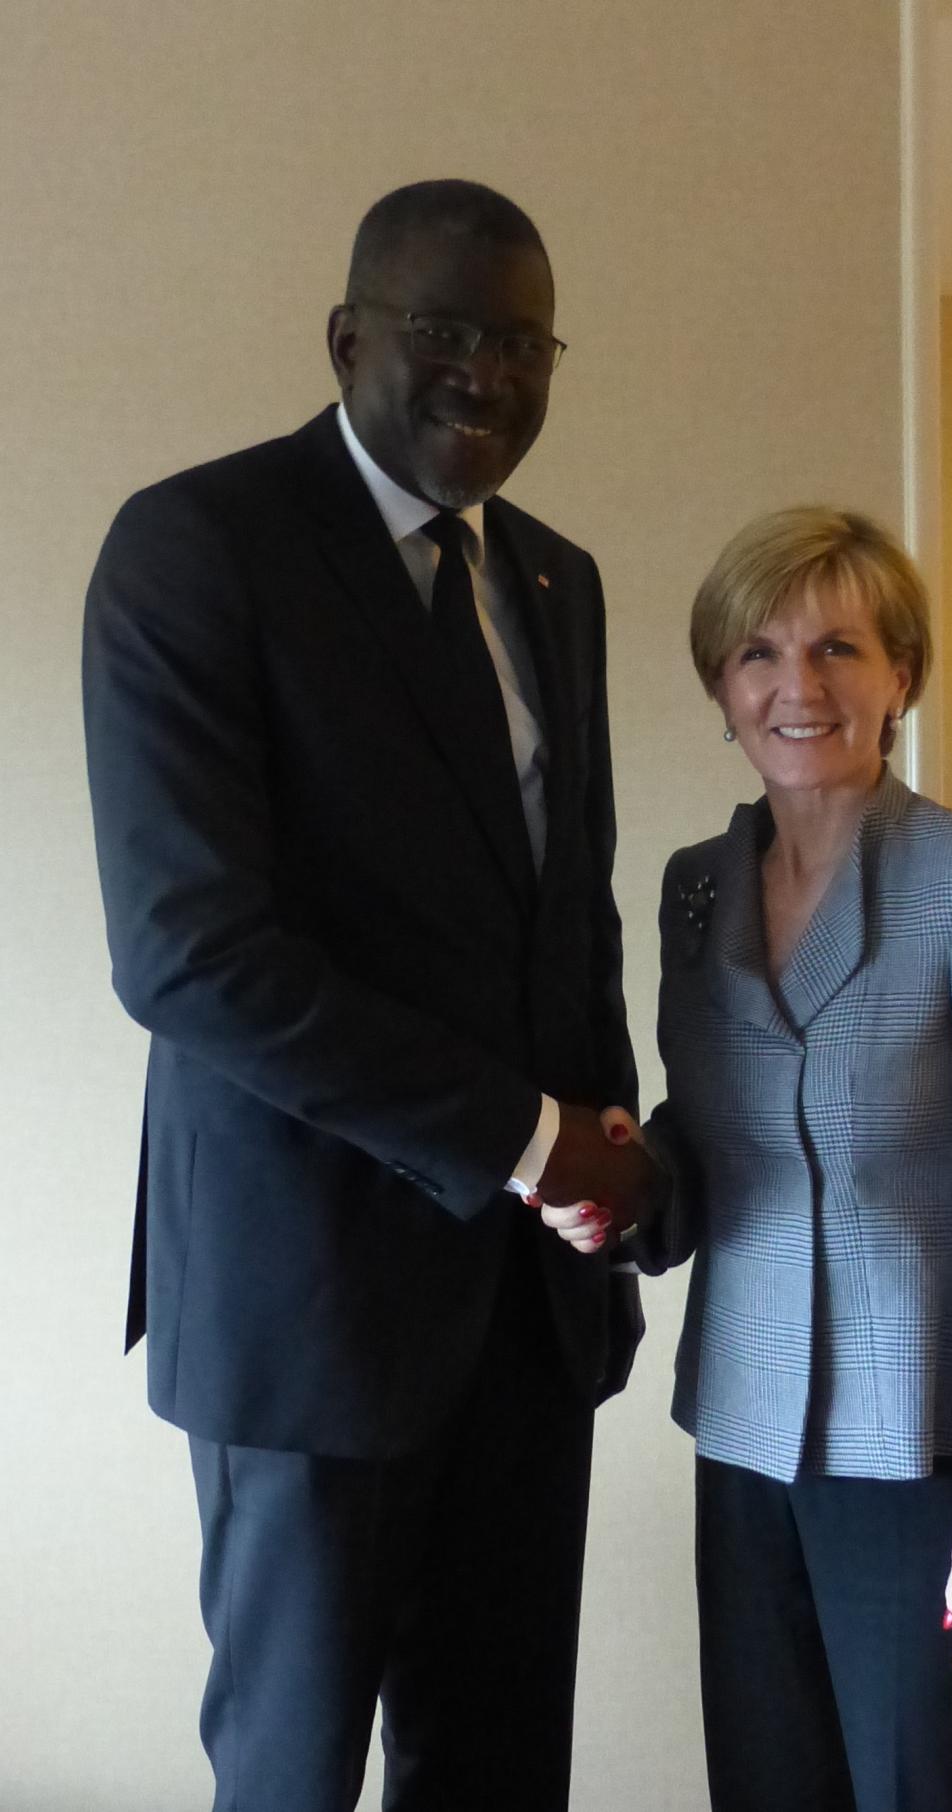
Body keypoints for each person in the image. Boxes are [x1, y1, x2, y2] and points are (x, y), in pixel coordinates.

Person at [82, 179, 659, 1812]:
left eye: (525, 343)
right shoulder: (199, 545)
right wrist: (531, 1140)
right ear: (349, 340)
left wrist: (614, 1163)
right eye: (447, 333)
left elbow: (566, 917)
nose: (488, 373)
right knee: (291, 1770)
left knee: (495, 1766)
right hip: (306, 1297)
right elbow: (191, 954)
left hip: (528, 1311)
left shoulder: (561, 578)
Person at [541, 507, 952, 1812]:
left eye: (840, 650)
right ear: (719, 685)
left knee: (937, 1787)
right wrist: (635, 1187)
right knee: (771, 1784)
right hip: (746, 1437)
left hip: (921, 1444)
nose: (796, 687)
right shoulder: (698, 888)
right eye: (758, 653)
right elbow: (719, 1127)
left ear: (900, 676)